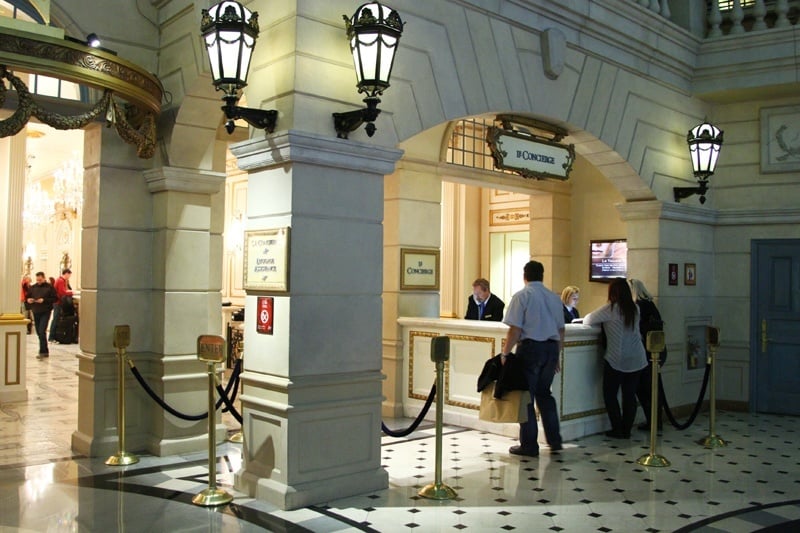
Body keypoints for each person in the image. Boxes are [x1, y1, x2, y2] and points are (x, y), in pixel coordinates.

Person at [500, 261, 564, 456]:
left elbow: (515, 329)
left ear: (524, 276)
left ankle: (529, 444)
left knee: (526, 397)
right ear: (542, 275)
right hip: (551, 349)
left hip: (530, 350)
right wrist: (557, 356)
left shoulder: (522, 296)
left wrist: (505, 353)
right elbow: (561, 330)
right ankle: (554, 440)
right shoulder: (554, 298)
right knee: (545, 394)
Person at [583, 278, 647, 439]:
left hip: (616, 358)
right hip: (637, 356)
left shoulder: (610, 309)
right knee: (629, 395)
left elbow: (588, 320)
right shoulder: (635, 309)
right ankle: (626, 429)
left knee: (610, 394)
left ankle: (617, 428)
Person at [629, 278, 666, 432]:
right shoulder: (651, 305)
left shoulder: (638, 307)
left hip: (645, 354)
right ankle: (656, 421)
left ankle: (652, 422)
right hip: (658, 351)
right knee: (652, 389)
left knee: (643, 390)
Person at [26, 272, 57, 358]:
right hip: (36, 311)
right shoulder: (33, 287)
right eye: (37, 280)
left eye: (40, 280)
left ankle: (43, 351)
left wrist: (44, 300)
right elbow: (27, 297)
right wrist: (29, 300)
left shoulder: (49, 287)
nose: (38, 281)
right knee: (39, 331)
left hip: (45, 311)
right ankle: (44, 349)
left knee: (42, 330)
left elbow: (55, 298)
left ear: (44, 278)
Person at [49, 268, 74, 343]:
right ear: (66, 274)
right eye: (69, 275)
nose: (69, 277)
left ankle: (54, 336)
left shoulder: (61, 280)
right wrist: (71, 293)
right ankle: (51, 337)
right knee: (56, 319)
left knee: (57, 319)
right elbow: (62, 292)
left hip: (58, 302)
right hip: (58, 302)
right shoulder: (60, 281)